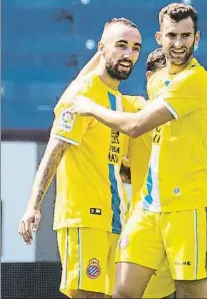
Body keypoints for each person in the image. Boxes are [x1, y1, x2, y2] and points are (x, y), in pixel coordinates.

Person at [71, 3, 207, 298]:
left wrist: (88, 107)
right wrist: (102, 55)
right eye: (171, 35)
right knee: (123, 292)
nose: (178, 44)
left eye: (185, 36)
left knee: (196, 293)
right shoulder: (157, 83)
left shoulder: (196, 81)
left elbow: (138, 126)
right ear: (159, 37)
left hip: (187, 209)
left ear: (197, 38)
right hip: (149, 208)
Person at [18, 18, 142, 298]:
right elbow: (55, 148)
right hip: (85, 218)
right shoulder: (82, 94)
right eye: (121, 45)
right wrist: (33, 206)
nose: (128, 54)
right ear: (102, 48)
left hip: (114, 219)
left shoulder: (117, 100)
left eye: (135, 48)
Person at [124, 47, 207, 298]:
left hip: (189, 217)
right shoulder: (133, 110)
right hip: (149, 218)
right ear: (150, 78)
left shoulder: (199, 113)